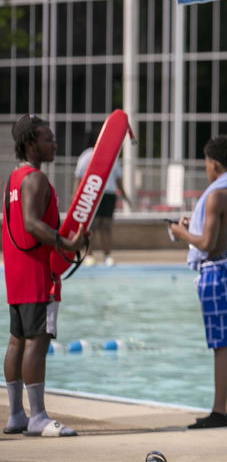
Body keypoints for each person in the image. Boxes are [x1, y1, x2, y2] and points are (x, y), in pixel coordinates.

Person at [4, 115, 89, 437]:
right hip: (37, 272)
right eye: (47, 138)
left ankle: (16, 415)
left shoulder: (14, 177)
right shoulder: (36, 179)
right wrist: (66, 243)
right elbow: (30, 223)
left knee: (16, 342)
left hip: (16, 271)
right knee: (37, 343)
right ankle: (37, 417)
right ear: (30, 143)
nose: (54, 143)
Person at [169, 135, 227, 431]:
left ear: (214, 164)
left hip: (216, 271)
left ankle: (217, 411)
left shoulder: (217, 196)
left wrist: (181, 232)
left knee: (221, 344)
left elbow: (206, 242)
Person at [74, 129, 131, 267]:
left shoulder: (109, 155)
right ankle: (93, 255)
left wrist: (75, 195)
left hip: (105, 193)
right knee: (99, 226)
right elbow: (79, 177)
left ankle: (102, 255)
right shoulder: (87, 156)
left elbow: (117, 178)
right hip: (94, 192)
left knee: (99, 226)